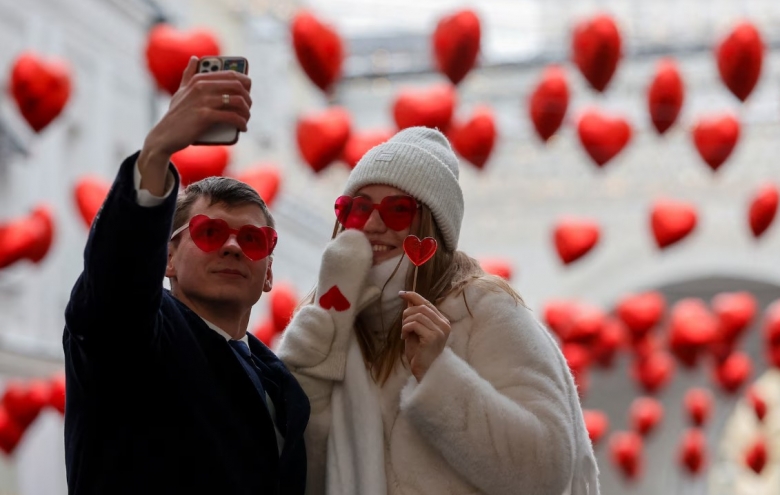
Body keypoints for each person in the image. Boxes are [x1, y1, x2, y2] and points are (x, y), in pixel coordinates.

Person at [277, 127, 599, 495]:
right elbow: (293, 472)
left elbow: (544, 472)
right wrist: (317, 352)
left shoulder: (483, 310)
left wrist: (438, 375)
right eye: (358, 208)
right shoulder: (328, 320)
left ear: (432, 226)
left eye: (398, 211)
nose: (373, 224)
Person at [62, 57, 309, 495]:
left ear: (268, 271)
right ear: (167, 259)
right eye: (209, 232)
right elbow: (116, 284)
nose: (233, 246)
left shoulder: (283, 382)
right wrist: (157, 153)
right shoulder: (139, 339)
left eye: (253, 239)